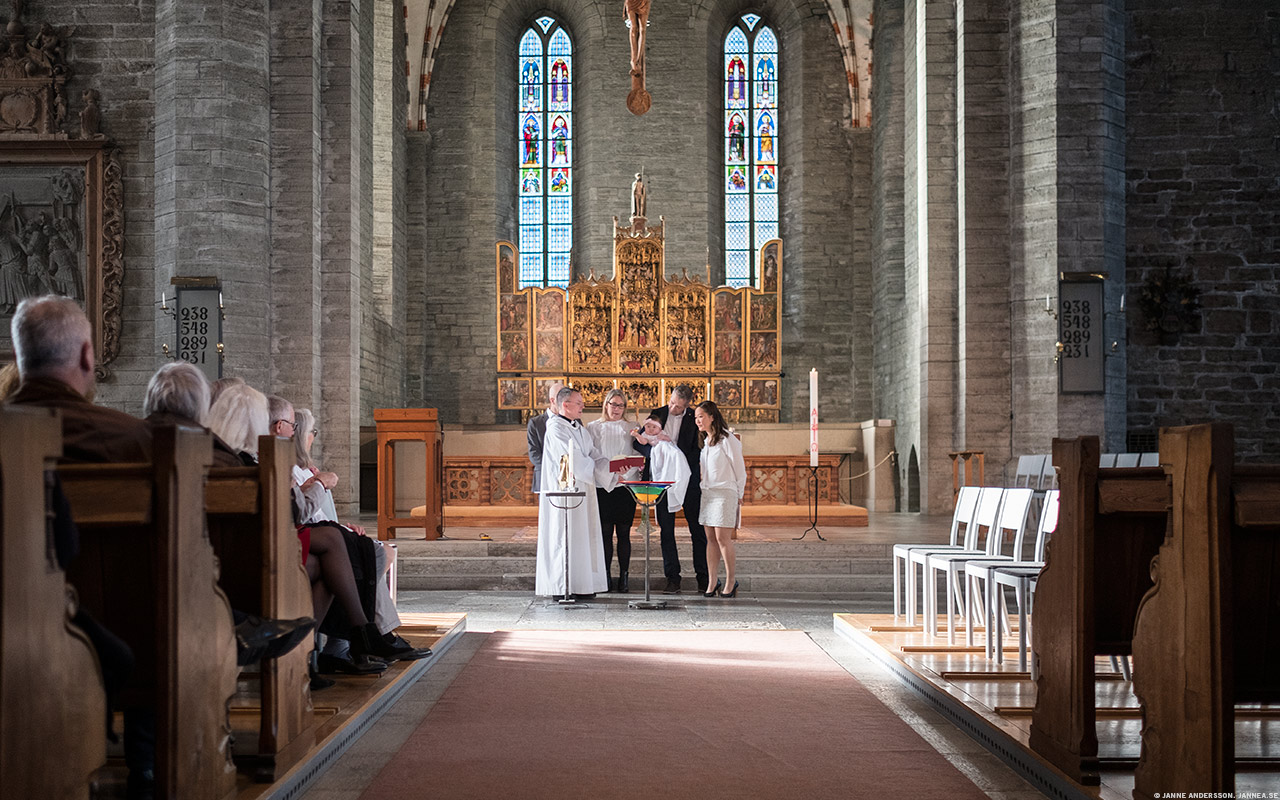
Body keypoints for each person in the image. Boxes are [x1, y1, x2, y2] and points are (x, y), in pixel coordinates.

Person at [291, 406, 430, 669]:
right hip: (305, 540)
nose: (314, 437)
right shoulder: (290, 470)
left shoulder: (306, 469)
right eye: (312, 432)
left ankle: (346, 644)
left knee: (373, 552)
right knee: (371, 555)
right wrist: (320, 483)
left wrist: (342, 526)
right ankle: (368, 638)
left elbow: (318, 515)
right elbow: (300, 513)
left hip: (318, 535)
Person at [632, 384, 708, 593]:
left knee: (697, 529)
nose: (673, 407)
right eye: (672, 402)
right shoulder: (657, 413)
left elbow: (699, 449)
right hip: (661, 480)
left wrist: (679, 461)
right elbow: (638, 443)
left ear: (688, 405)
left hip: (687, 479)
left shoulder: (695, 417)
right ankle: (672, 578)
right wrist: (656, 452)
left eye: (678, 406)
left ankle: (703, 577)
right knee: (667, 530)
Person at [535, 386, 609, 598]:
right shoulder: (556, 428)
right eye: (579, 403)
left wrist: (611, 468)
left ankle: (582, 585)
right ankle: (563, 586)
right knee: (564, 535)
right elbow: (572, 459)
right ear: (565, 405)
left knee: (583, 536)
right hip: (565, 493)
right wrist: (597, 468)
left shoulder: (578, 427)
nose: (583, 406)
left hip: (583, 491)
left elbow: (593, 453)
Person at [587, 389, 639, 592]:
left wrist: (625, 473)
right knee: (605, 533)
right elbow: (592, 456)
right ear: (605, 404)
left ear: (625, 408)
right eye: (613, 404)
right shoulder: (592, 428)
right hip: (603, 485)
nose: (616, 409)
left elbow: (637, 453)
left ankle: (624, 577)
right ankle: (605, 576)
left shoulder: (632, 427)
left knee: (624, 533)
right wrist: (609, 476)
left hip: (626, 485)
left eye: (620, 405)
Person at [694, 401, 747, 598]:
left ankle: (731, 581)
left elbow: (740, 470)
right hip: (708, 493)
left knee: (722, 538)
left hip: (725, 492)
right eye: (696, 418)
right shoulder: (706, 442)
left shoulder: (728, 440)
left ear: (712, 417)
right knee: (710, 539)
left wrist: (739, 493)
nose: (698, 421)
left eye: (701, 416)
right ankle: (712, 580)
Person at [526, 380, 564, 495]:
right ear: (552, 400)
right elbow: (534, 454)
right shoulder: (536, 423)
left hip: (568, 479)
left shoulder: (574, 420)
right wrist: (555, 468)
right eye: (562, 398)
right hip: (545, 476)